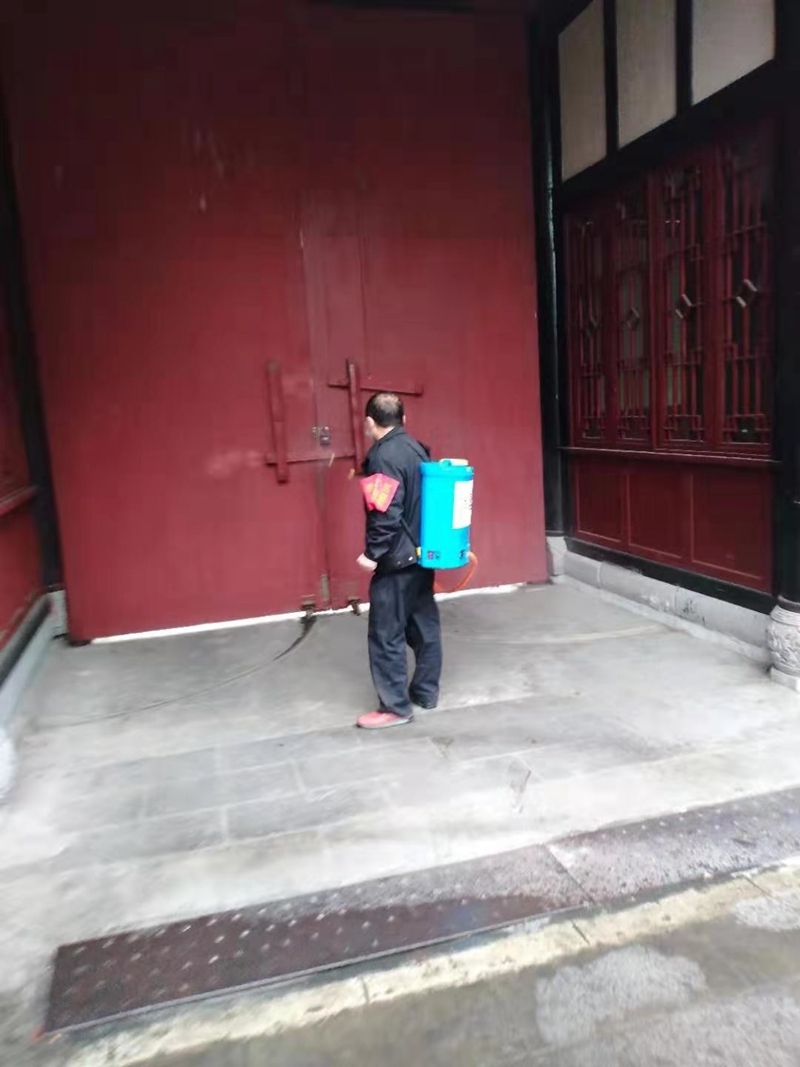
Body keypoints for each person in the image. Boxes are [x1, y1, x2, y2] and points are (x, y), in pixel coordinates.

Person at [355, 393, 442, 730]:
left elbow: (385, 511)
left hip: (397, 559)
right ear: (403, 420)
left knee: (385, 634)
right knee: (424, 626)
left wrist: (372, 554)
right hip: (422, 554)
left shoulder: (382, 455)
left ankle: (395, 707)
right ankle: (426, 691)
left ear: (369, 422)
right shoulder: (416, 448)